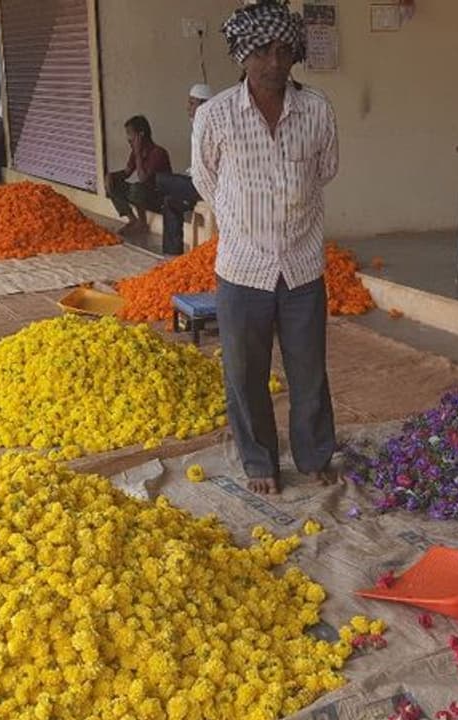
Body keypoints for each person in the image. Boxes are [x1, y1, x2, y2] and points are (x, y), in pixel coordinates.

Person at [192, 0, 339, 495]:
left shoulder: (316, 109)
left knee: (308, 372)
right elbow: (205, 180)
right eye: (262, 52)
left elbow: (326, 170)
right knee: (245, 373)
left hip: (301, 266)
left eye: (283, 51)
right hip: (242, 269)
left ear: (294, 54)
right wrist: (244, 222)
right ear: (242, 55)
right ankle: (260, 462)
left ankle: (314, 455)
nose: (274, 62)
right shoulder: (215, 116)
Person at [155, 83, 213, 255]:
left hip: (209, 185)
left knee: (160, 180)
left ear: (203, 105)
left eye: (192, 103)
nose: (188, 108)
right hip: (197, 182)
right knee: (170, 201)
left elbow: (210, 166)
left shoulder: (211, 128)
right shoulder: (197, 126)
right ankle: (171, 255)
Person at [106, 115, 171, 236]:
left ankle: (142, 223)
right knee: (113, 183)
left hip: (159, 198)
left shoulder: (158, 153)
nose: (128, 138)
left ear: (141, 135)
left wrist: (137, 153)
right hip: (144, 194)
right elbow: (127, 172)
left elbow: (143, 178)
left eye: (130, 134)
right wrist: (111, 177)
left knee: (137, 188)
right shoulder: (136, 152)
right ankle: (132, 220)